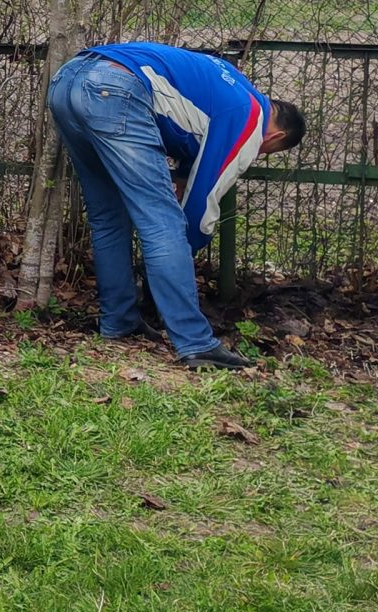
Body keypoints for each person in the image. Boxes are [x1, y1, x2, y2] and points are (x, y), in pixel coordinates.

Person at [45, 41, 305, 370]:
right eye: (265, 152)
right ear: (275, 138)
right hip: (115, 89)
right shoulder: (249, 119)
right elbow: (200, 208)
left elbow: (188, 143)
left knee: (108, 217)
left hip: (67, 80)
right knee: (163, 223)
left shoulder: (233, 85)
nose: (255, 154)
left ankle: (119, 321)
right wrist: (181, 251)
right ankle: (196, 343)